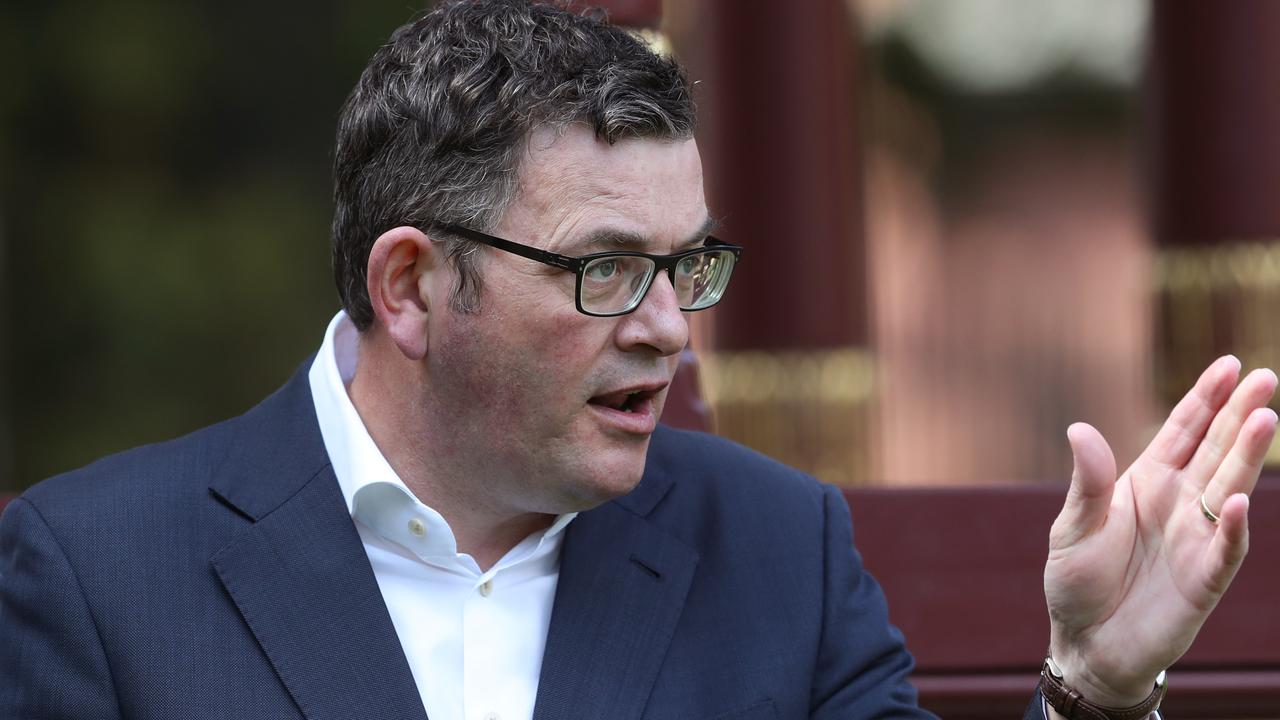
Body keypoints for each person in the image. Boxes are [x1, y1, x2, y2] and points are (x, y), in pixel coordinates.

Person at [1, 2, 1275, 718]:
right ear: (411, 286)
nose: (670, 327)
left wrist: (1092, 688)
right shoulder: (98, 577)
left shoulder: (774, 549)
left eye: (687, 265)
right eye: (604, 269)